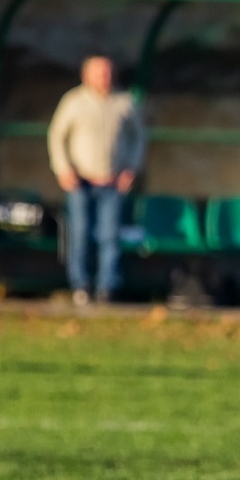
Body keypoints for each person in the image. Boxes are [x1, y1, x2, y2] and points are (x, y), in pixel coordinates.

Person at [48, 56, 146, 306]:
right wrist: (63, 169)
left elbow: (138, 138)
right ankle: (80, 286)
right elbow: (57, 136)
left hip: (113, 182)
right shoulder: (74, 102)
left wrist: (131, 170)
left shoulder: (124, 102)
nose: (105, 77)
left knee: (110, 236)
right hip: (81, 182)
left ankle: (107, 287)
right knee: (79, 233)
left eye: (108, 72)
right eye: (99, 73)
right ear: (86, 76)